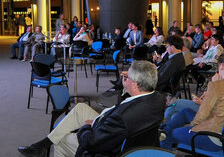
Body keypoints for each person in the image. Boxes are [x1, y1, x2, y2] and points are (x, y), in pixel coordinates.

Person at [16, 60, 166, 157]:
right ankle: (42, 145)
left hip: (112, 147)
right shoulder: (158, 99)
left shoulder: (122, 118)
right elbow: (127, 105)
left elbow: (92, 143)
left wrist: (87, 127)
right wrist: (127, 85)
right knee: (81, 108)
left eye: (128, 77)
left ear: (135, 84)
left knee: (63, 140)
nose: (124, 76)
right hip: (125, 132)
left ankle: (46, 145)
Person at [160, 52, 224, 150]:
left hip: (215, 138)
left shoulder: (216, 85)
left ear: (221, 66)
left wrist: (191, 128)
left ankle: (164, 134)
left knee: (170, 135)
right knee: (185, 112)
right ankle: (163, 131)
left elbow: (201, 116)